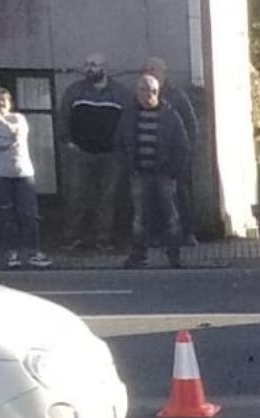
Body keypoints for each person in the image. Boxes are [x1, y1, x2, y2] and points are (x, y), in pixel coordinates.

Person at [116, 74, 191, 269]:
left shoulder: (170, 116)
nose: (147, 95)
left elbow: (182, 146)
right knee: (140, 217)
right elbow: (120, 143)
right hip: (139, 173)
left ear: (158, 93)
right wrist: (128, 168)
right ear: (137, 92)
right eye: (143, 90)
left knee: (171, 216)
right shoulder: (129, 115)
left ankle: (175, 255)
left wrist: (174, 171)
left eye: (152, 91)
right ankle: (138, 255)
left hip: (165, 174)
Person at [58, 53, 128, 251]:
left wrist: (122, 147)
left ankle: (103, 238)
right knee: (76, 195)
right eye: (87, 64)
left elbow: (127, 121)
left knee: (107, 197)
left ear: (105, 68)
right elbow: (63, 116)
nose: (90, 69)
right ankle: (72, 237)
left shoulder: (120, 93)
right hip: (81, 153)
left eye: (94, 65)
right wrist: (68, 141)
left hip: (111, 155)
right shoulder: (74, 91)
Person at [0, 87, 50, 269]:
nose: (1, 103)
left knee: (29, 213)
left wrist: (1, 134)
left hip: (23, 172)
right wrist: (7, 140)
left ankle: (33, 251)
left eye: (4, 100)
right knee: (6, 214)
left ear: (10, 103)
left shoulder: (20, 118)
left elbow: (19, 134)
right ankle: (12, 252)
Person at [144, 58, 201, 245]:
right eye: (148, 70)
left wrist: (186, 151)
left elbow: (191, 125)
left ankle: (188, 233)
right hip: (149, 156)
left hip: (175, 157)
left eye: (155, 70)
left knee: (181, 195)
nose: (152, 73)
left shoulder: (177, 96)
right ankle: (158, 235)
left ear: (164, 72)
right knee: (152, 197)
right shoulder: (141, 96)